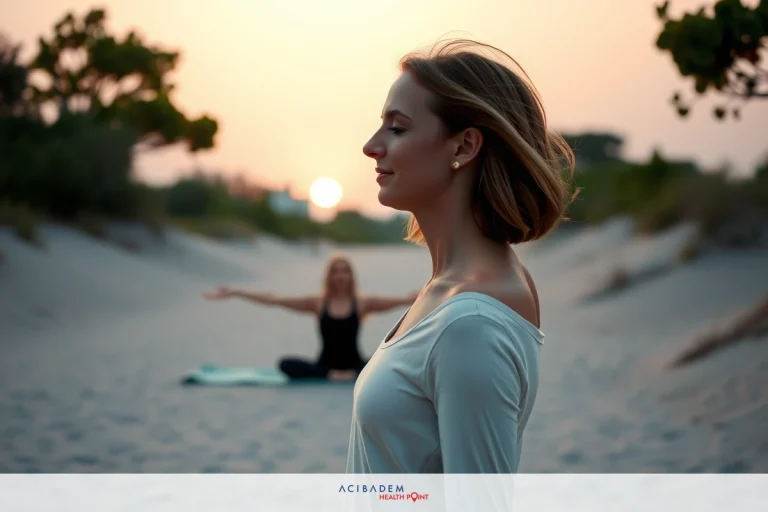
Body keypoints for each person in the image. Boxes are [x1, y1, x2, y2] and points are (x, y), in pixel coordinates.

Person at [346, 39, 576, 474]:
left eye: (397, 128)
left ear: (463, 147)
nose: (372, 146)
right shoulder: (451, 289)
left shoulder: (472, 322)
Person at [203, 254, 417, 381]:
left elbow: (406, 300)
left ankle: (345, 374)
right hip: (324, 367)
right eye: (336, 271)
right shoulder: (317, 303)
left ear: (351, 276)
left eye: (345, 271)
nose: (341, 276)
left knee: (391, 358)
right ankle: (332, 375)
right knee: (285, 363)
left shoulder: (363, 303)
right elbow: (274, 299)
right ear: (329, 276)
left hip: (356, 366)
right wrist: (236, 292)